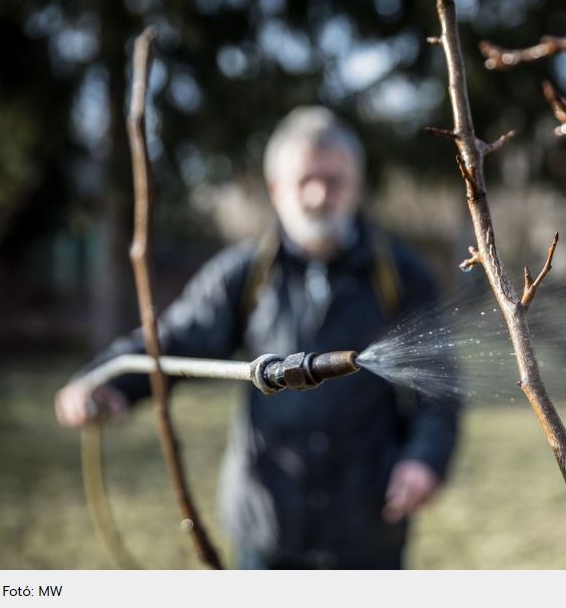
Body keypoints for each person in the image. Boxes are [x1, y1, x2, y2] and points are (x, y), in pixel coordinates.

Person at [54, 106, 461, 569]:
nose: (319, 194)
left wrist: (425, 460)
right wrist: (107, 382)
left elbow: (439, 383)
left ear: (356, 184)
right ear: (275, 188)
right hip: (267, 523)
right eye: (305, 179)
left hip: (369, 523)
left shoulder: (403, 275)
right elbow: (175, 341)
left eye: (334, 180)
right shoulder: (243, 274)